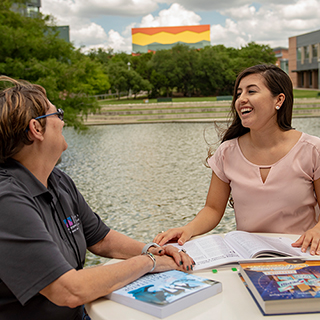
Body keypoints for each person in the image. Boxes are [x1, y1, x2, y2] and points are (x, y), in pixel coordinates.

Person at [0, 76, 194, 320]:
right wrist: (149, 263)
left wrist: (154, 249)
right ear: (36, 129)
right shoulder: (6, 200)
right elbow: (69, 290)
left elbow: (101, 239)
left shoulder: (57, 179)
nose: (63, 121)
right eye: (57, 114)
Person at [154, 64, 320, 256]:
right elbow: (213, 209)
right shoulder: (227, 152)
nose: (241, 99)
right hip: (250, 256)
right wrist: (187, 230)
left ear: (279, 100)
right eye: (239, 93)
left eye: (251, 91)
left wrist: (317, 230)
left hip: (302, 254)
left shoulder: (313, 149)